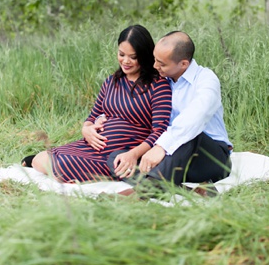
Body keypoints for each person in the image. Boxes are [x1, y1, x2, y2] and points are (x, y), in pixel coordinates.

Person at [26, 25, 172, 183]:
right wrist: (86, 129)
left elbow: (159, 131)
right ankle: (75, 171)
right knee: (39, 159)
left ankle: (87, 172)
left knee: (56, 165)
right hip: (90, 147)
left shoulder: (158, 85)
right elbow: (93, 116)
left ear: (144, 56)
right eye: (121, 54)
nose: (126, 61)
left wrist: (134, 154)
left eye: (133, 57)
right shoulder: (112, 81)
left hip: (122, 154)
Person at [108, 31, 232, 187]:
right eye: (155, 60)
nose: (155, 66)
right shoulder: (160, 80)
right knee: (118, 158)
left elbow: (196, 116)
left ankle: (144, 191)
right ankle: (176, 188)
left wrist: (162, 147)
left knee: (190, 137)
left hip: (209, 158)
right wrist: (103, 117)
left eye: (162, 63)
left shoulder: (206, 80)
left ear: (183, 64)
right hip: (173, 159)